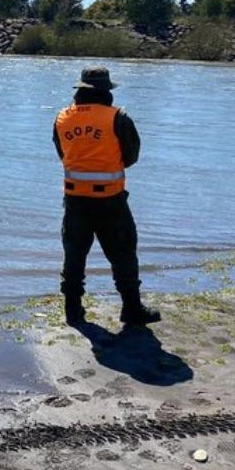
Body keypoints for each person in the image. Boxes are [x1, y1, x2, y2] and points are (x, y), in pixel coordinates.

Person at [53, 66, 160, 327]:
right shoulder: (119, 118)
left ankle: (73, 311)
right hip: (110, 201)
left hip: (75, 200)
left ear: (80, 91)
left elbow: (62, 154)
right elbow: (131, 157)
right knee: (123, 254)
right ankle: (131, 310)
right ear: (106, 92)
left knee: (74, 256)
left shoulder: (62, 118)